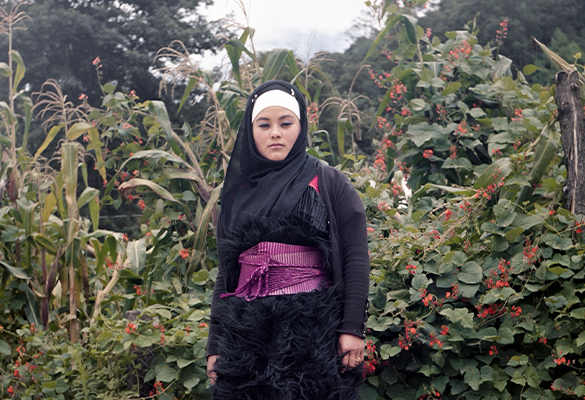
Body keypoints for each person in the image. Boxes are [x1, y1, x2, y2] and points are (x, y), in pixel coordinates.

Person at [206, 80, 370, 400]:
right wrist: (215, 344)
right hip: (246, 332)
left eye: (286, 123)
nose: (275, 133)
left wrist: (351, 329)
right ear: (250, 131)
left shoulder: (328, 180)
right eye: (264, 124)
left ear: (301, 126)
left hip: (311, 328)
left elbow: (355, 256)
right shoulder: (237, 195)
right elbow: (226, 275)